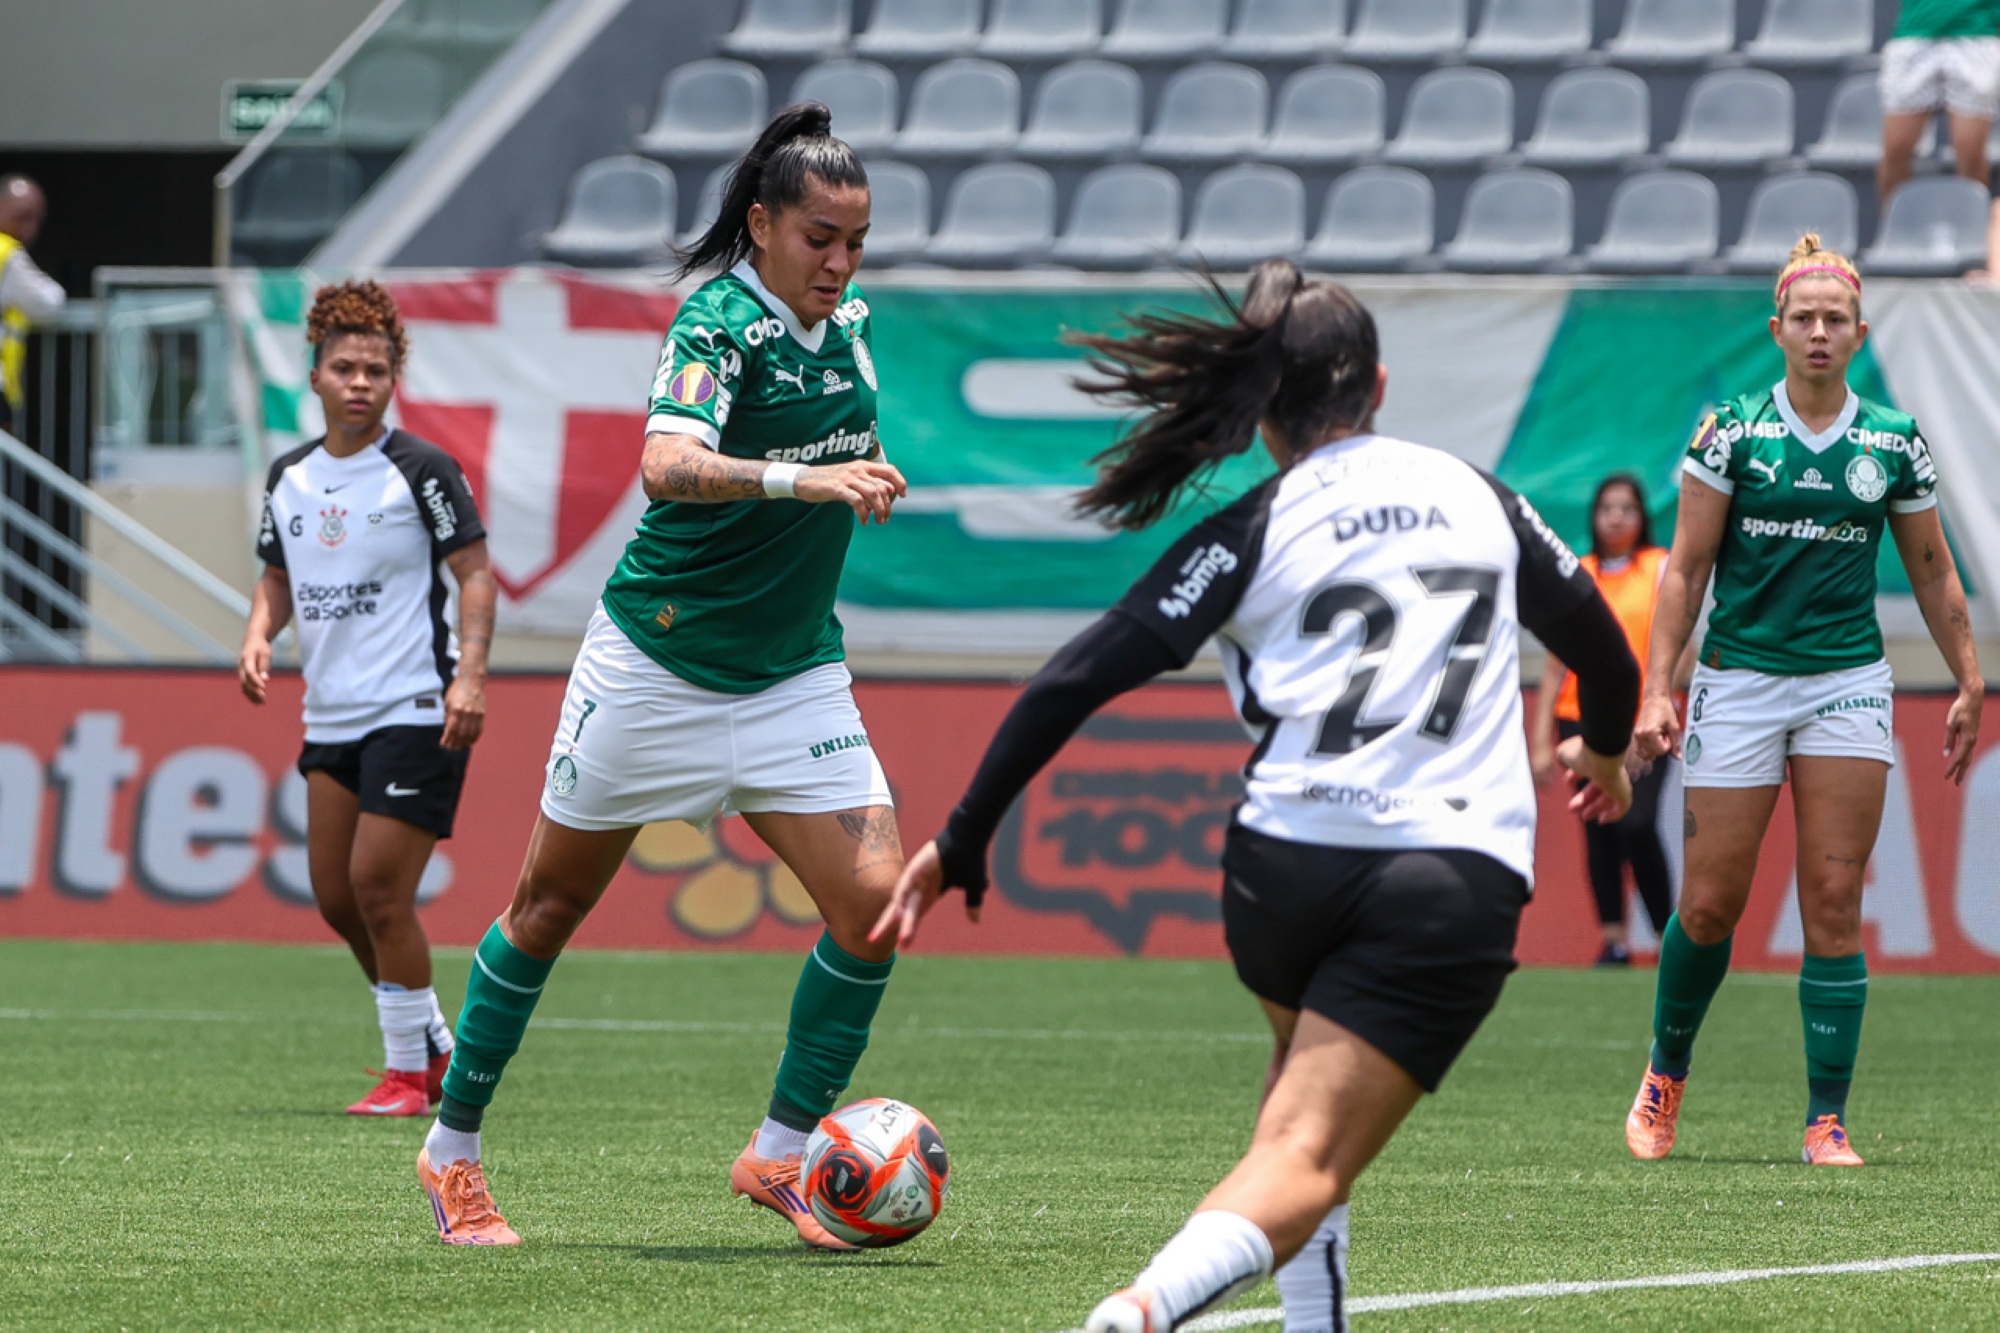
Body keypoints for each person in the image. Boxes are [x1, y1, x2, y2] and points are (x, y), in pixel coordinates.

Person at [874, 260, 1640, 1333]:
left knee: (1298, 1097)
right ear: (1377, 383)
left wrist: (961, 838)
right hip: (1441, 876)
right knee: (1303, 1151)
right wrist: (1602, 755)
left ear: (1267, 416)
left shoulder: (1251, 526)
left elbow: (1071, 678)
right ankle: (1140, 1311)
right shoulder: (1480, 496)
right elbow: (1606, 660)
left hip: (1278, 872)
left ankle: (1309, 1322)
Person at [414, 103, 910, 1249]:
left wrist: (854, 469)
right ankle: (452, 1155)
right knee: (547, 909)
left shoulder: (854, 329)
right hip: (655, 667)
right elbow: (665, 466)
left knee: (876, 908)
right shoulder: (716, 323)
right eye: (820, 238)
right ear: (762, 225)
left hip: (792, 677)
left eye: (856, 242)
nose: (839, 262)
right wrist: (802, 482)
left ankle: (781, 1155)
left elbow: (823, 446)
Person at [1623, 235, 1982, 1170]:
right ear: (1775, 329)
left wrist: (1971, 677)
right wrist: (1659, 687)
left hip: (1846, 683)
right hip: (1738, 681)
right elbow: (1686, 569)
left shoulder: (1891, 440)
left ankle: (1827, 1118)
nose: (1819, 332)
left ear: (1859, 333)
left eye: (1835, 320)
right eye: (1803, 318)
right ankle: (1665, 1075)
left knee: (1832, 900)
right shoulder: (1731, 430)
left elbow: (1935, 568)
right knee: (1709, 905)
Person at [238, 280, 496, 1117]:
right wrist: (257, 633)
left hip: (417, 707)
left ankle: (407, 1077)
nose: (359, 382)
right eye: (344, 367)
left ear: (394, 381)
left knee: (380, 888)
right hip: (331, 715)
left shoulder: (421, 470)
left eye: (376, 370)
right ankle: (431, 1042)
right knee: (337, 898)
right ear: (314, 376)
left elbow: (476, 577)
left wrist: (470, 677)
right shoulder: (288, 477)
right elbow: (277, 577)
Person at [1529, 473, 1684, 966]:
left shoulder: (1660, 568)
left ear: (1643, 518)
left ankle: (1666, 937)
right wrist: (1538, 742)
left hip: (1644, 718)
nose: (1616, 517)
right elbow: (1556, 665)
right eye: (1607, 508)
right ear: (1594, 518)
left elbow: (1682, 645)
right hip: (1582, 717)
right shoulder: (1578, 572)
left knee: (1636, 822)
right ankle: (1614, 940)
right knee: (1598, 829)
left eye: (1627, 508)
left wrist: (1661, 701)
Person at [1878, 0, 2000, 204]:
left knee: (1970, 153)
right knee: (1896, 150)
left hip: (1977, 34)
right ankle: (1892, 229)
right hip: (1914, 32)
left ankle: (1971, 227)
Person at [0, 175, 68, 437]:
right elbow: (48, 304)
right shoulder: (6, 253)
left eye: (37, 220)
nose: (30, 229)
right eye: (23, 216)